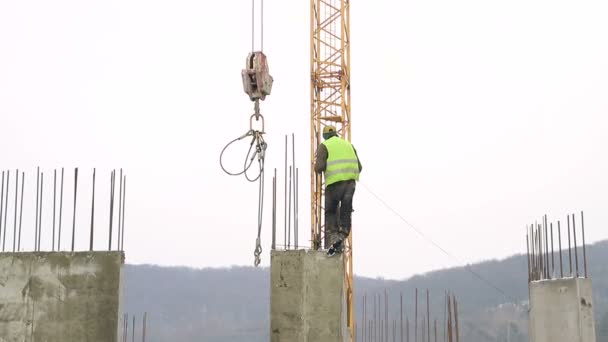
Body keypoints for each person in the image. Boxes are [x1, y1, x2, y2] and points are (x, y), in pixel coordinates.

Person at [314, 125, 362, 256]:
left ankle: (334, 237)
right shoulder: (349, 145)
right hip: (350, 184)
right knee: (346, 209)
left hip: (334, 184)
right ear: (336, 134)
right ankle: (343, 234)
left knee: (330, 211)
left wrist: (317, 164)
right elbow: (360, 167)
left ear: (325, 136)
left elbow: (319, 168)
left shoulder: (324, 146)